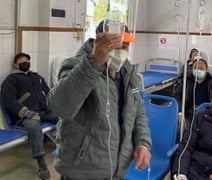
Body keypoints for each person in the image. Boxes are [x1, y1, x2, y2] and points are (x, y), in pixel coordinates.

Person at [47, 21, 152, 180]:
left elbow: (138, 112)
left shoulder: (128, 73)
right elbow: (60, 107)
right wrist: (94, 62)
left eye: (124, 46)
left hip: (117, 171)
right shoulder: (76, 66)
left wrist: (143, 143)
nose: (120, 51)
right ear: (100, 42)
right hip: (83, 171)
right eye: (114, 45)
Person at [1, 52, 59, 180]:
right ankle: (42, 164)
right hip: (25, 115)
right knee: (34, 127)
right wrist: (25, 112)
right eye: (22, 62)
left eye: (27, 61)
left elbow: (48, 92)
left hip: (43, 111)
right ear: (16, 65)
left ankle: (67, 148)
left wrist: (53, 105)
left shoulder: (36, 77)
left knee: (62, 117)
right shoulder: (11, 80)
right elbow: (9, 101)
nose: (25, 64)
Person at [184, 57, 212, 122]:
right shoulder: (186, 81)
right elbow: (178, 97)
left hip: (207, 115)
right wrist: (180, 113)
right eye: (195, 68)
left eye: (201, 68)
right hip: (188, 114)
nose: (198, 70)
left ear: (206, 70)